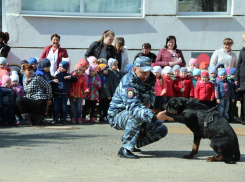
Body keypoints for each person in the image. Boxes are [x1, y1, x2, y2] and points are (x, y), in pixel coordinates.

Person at [107, 56, 173, 159]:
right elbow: (134, 108)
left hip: (140, 111)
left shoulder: (150, 78)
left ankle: (131, 142)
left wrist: (150, 102)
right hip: (117, 115)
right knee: (136, 115)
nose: (146, 75)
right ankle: (125, 148)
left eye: (147, 71)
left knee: (161, 129)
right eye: (143, 72)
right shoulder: (129, 83)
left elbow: (152, 93)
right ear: (134, 69)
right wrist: (154, 116)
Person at [235, 33, 245, 125]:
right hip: (243, 79)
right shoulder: (242, 51)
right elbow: (238, 65)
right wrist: (237, 78)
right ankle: (244, 118)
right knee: (243, 100)